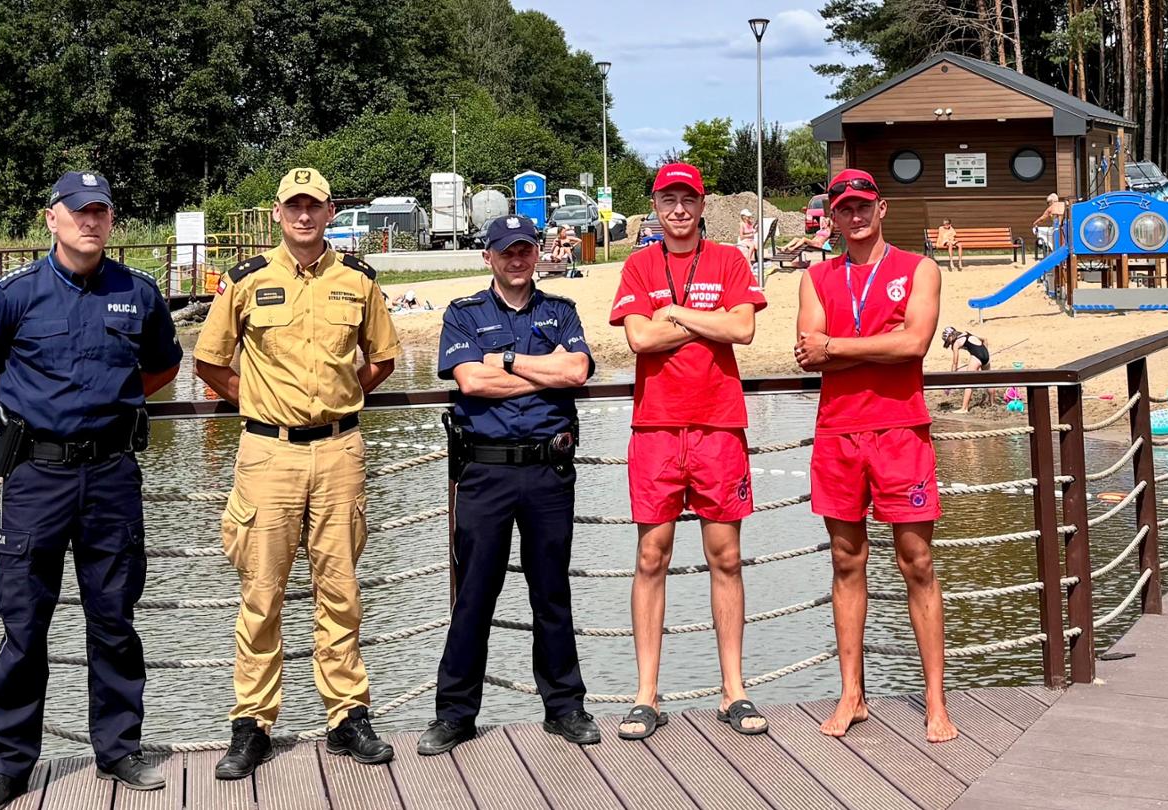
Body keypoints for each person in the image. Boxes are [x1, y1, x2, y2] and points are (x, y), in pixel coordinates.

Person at [0, 170, 179, 809]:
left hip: (111, 475)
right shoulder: (14, 295)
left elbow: (162, 366)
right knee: (24, 622)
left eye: (101, 211)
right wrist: (36, 412)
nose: (90, 221)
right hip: (36, 477)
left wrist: (107, 408)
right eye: (78, 210)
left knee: (114, 617)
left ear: (111, 222)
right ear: (51, 218)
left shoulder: (138, 294)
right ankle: (7, 765)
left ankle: (120, 751)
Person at [194, 167, 402, 778]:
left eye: (314, 206)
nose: (304, 217)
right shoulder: (246, 281)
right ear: (278, 214)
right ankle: (252, 724)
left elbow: (383, 359)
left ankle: (347, 717)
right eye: (294, 207)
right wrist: (259, 403)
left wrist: (337, 402)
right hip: (268, 456)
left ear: (330, 211)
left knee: (340, 592)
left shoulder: (357, 281)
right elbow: (209, 361)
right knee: (262, 594)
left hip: (339, 453)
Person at [417, 215, 600, 756]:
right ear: (488, 257)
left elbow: (576, 374)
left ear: (537, 253)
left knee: (551, 592)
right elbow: (470, 380)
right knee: (474, 595)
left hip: (549, 471)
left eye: (525, 249)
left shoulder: (560, 310)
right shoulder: (463, 313)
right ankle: (454, 715)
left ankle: (565, 707)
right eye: (506, 251)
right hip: (485, 473)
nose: (517, 259)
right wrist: (540, 370)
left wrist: (509, 361)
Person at [793, 167, 958, 744]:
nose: (855, 216)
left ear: (881, 208)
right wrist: (872, 349)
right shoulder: (815, 277)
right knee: (846, 561)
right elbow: (807, 356)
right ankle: (852, 695)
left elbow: (914, 343)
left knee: (917, 561)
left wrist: (838, 346)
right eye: (844, 208)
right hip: (839, 432)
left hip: (900, 431)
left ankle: (936, 701)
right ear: (831, 217)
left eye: (863, 206)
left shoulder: (920, 268)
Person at [607, 162, 768, 741]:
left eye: (688, 199)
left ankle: (735, 691)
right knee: (652, 557)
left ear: (702, 205)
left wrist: (673, 313)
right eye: (668, 199)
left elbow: (744, 329)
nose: (678, 209)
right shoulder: (638, 263)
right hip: (655, 428)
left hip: (718, 425)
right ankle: (646, 695)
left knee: (725, 556)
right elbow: (640, 339)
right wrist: (706, 322)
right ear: (655, 204)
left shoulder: (728, 260)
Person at [942, 326, 991, 412]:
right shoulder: (967, 333)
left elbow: (955, 363)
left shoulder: (956, 343)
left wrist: (951, 377)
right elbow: (985, 339)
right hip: (985, 355)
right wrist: (986, 353)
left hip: (977, 356)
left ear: (950, 336)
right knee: (989, 380)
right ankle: (992, 403)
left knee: (969, 381)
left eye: (948, 341)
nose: (949, 344)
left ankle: (964, 408)